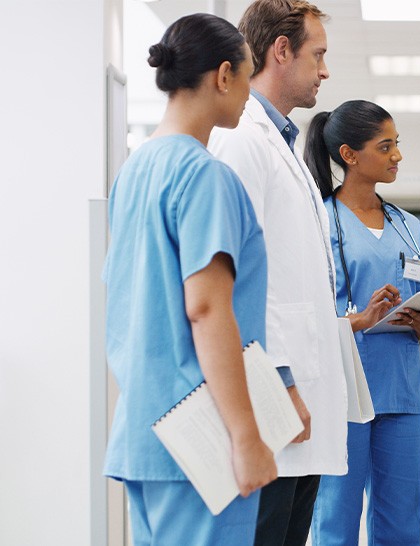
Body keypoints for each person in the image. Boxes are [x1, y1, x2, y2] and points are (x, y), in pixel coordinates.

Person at [103, 13, 276, 545]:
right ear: (223, 75)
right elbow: (206, 309)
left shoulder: (134, 170)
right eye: (248, 78)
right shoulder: (205, 176)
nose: (250, 95)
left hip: (146, 428)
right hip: (202, 435)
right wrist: (246, 434)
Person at [207, 1, 348, 544]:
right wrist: (279, 385)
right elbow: (234, 280)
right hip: (274, 398)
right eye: (319, 55)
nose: (326, 70)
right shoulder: (243, 140)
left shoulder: (283, 145)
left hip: (298, 399)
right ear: (281, 50)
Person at [304, 99, 420, 546]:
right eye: (385, 147)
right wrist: (359, 319)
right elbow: (302, 312)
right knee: (336, 514)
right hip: (344, 389)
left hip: (401, 391)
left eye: (397, 145)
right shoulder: (318, 222)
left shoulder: (407, 225)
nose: (397, 156)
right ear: (349, 155)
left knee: (402, 515)